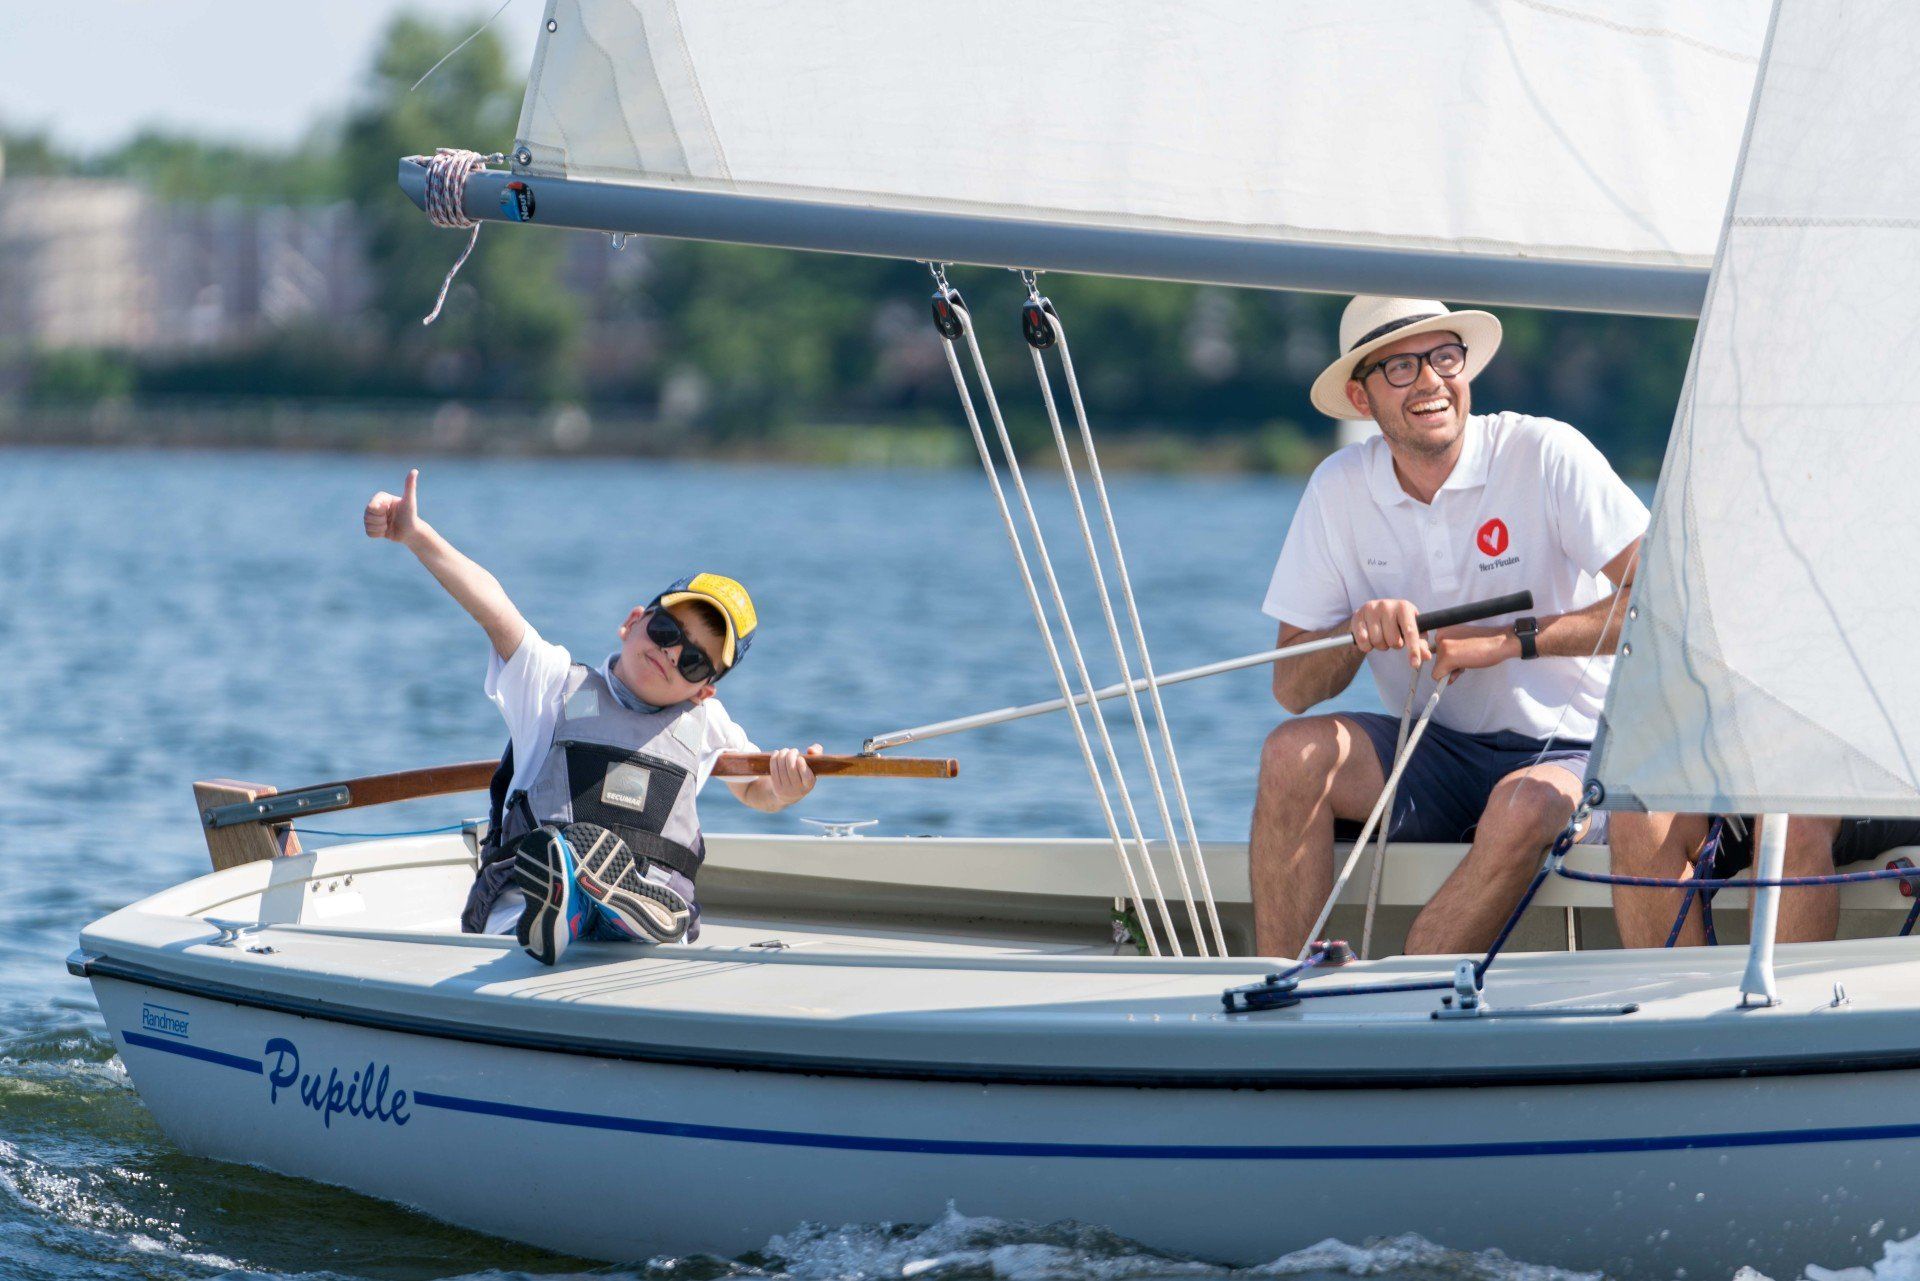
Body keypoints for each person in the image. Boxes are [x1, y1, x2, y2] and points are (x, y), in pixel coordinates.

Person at [1252, 295, 1646, 959]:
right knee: (1292, 754)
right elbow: (1291, 688)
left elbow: (1663, 604)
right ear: (1360, 396)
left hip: (1576, 749)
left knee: (1522, 805)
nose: (1431, 380)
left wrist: (1512, 642)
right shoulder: (1337, 486)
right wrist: (1355, 633)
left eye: (1444, 357)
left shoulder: (1544, 451)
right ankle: (1278, 995)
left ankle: (1400, 992)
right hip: (1434, 753)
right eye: (1401, 367)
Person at [363, 468, 821, 965]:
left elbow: (756, 789)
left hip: (648, 945)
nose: (671, 654)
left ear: (703, 690)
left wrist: (786, 786)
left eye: (693, 660)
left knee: (641, 906)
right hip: (522, 925)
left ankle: (626, 910)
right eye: (667, 631)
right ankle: (572, 902)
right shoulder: (552, 684)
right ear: (632, 622)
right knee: (562, 870)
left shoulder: (706, 722)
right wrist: (417, 535)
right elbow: (493, 607)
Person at [1610, 813, 1920, 947]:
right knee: (1638, 821)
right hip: (1746, 772)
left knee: (1791, 822)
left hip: (1873, 774)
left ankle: (1788, 1032)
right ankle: (1678, 1035)